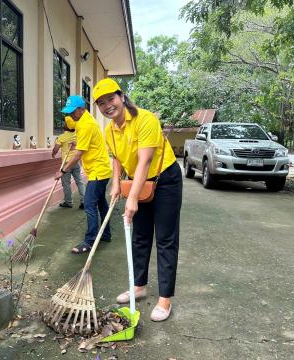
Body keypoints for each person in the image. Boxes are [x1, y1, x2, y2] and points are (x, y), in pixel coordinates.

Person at [93, 78, 182, 322]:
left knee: (165, 239)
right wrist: (115, 183)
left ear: (121, 97)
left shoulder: (145, 119)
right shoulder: (109, 129)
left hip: (165, 180)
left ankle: (165, 299)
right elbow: (117, 158)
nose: (107, 106)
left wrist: (131, 199)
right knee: (140, 236)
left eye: (111, 99)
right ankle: (139, 286)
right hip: (138, 182)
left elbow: (144, 160)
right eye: (101, 103)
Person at [55, 95, 112, 254]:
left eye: (73, 111)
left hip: (98, 171)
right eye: (69, 112)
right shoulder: (84, 121)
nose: (71, 115)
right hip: (100, 169)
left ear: (82, 109)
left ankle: (90, 241)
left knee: (89, 204)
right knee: (100, 203)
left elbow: (79, 153)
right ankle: (106, 234)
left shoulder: (86, 124)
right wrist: (77, 142)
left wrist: (63, 170)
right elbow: (82, 140)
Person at [52, 119, 85, 209]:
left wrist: (53, 154)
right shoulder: (77, 135)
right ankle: (84, 201)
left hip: (66, 164)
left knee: (66, 183)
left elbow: (56, 148)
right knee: (79, 182)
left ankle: (69, 202)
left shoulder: (62, 137)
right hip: (76, 161)